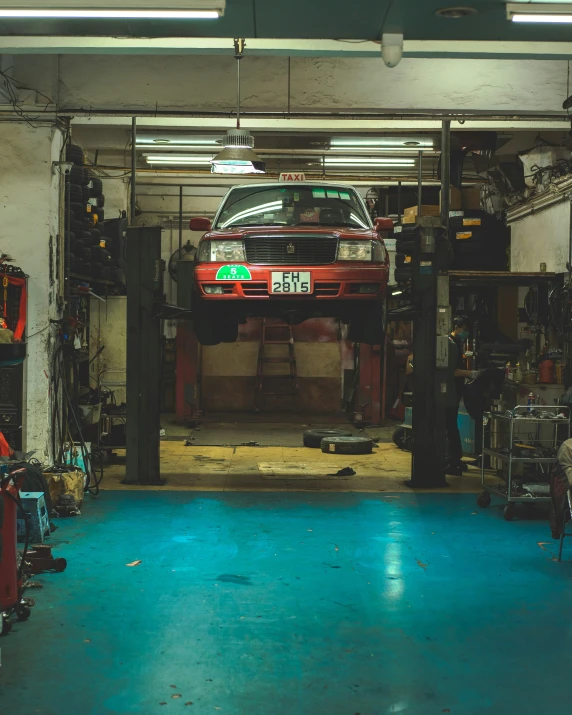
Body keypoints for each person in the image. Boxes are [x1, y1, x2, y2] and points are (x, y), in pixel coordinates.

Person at [446, 315, 480, 476]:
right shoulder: (450, 345)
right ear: (457, 327)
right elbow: (452, 371)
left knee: (452, 427)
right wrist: (470, 373)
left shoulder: (456, 344)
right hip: (450, 393)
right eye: (464, 330)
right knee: (450, 427)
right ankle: (452, 459)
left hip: (454, 392)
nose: (465, 333)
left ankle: (454, 459)